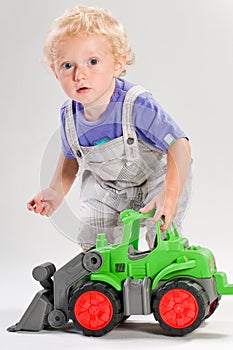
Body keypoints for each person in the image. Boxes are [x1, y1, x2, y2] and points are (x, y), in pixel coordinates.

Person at [27, 5, 192, 251]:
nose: (80, 75)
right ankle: (104, 278)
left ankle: (162, 265)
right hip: (109, 188)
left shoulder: (136, 104)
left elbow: (180, 145)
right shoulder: (69, 116)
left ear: (117, 63)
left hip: (155, 179)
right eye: (67, 65)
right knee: (96, 243)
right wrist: (54, 191)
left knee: (161, 235)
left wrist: (169, 192)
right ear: (55, 70)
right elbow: (70, 159)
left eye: (92, 61)